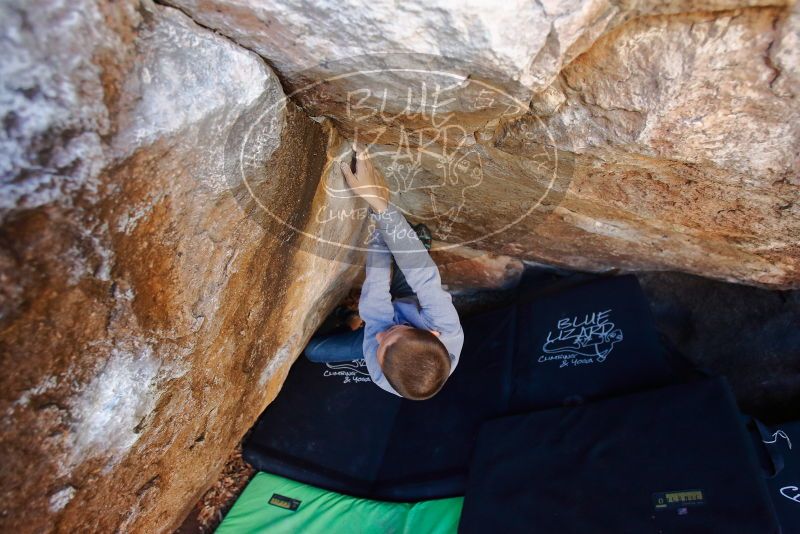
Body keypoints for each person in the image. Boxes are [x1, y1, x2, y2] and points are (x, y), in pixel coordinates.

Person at [305, 145, 464, 400]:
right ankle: (415, 239)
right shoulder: (446, 327)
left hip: (388, 311)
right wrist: (379, 207)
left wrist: (377, 224)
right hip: (411, 298)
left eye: (381, 346)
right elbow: (422, 277)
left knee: (314, 352)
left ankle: (349, 319)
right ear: (431, 333)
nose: (379, 336)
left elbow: (376, 309)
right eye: (390, 335)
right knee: (412, 255)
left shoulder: (381, 373)